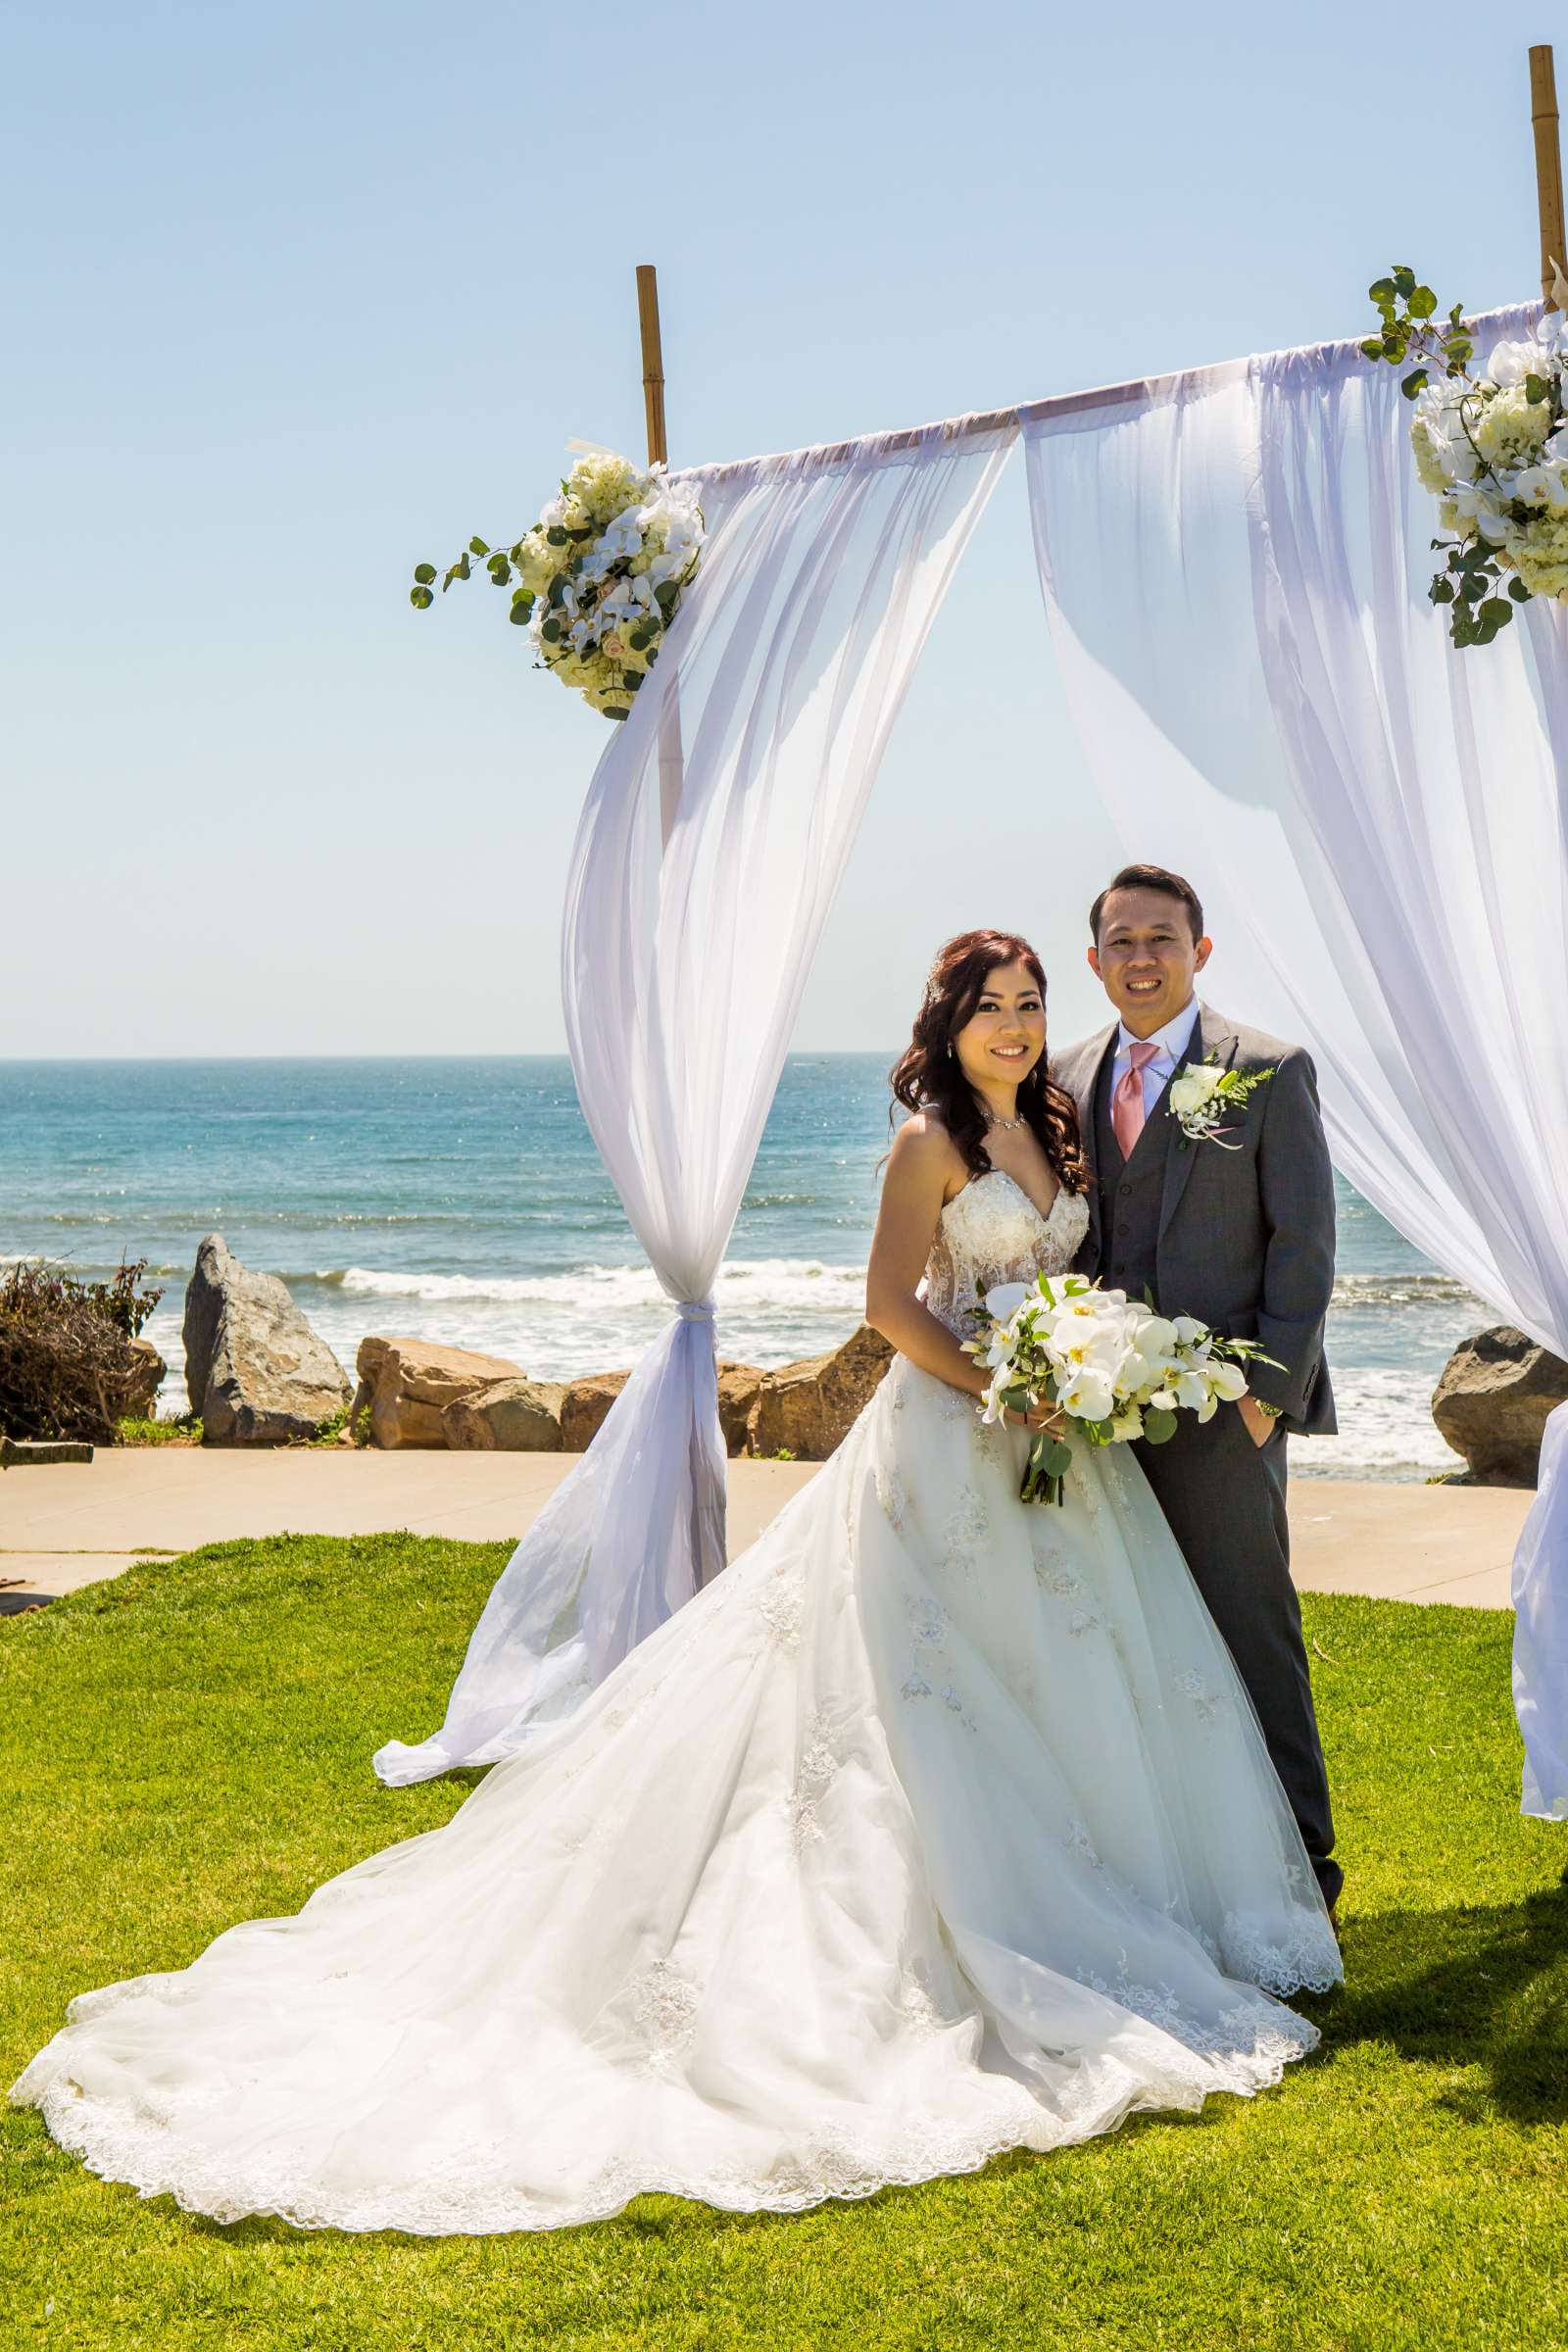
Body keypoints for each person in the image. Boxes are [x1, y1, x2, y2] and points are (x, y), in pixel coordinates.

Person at [12, 929, 1339, 2237]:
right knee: (928, 1707)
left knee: (1075, 1680)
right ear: (945, 1023)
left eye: (1032, 1000)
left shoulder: (1057, 1126)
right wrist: (1004, 1382)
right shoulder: (928, 1142)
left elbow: (1071, 1274)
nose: (1016, 1021)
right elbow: (888, 1303)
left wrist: (1082, 1363)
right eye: (990, 1004)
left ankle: (1120, 1903)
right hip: (952, 1448)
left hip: (1059, 1463)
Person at [1052, 865, 1342, 1915]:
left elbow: (1303, 1244)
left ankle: (1304, 1863)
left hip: (1224, 1412)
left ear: (1199, 952)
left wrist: (1264, 1392)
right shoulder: (1063, 1073)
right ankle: (1167, 1860)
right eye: (1121, 941)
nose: (1140, 957)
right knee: (1122, 1629)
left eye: (1161, 939)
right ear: (1093, 960)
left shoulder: (1266, 1069)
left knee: (1247, 1624)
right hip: (1093, 1414)